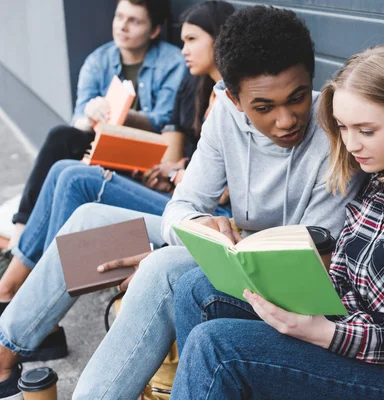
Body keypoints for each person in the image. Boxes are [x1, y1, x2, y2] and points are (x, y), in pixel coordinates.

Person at [0, 5, 365, 399]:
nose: (286, 119)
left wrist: (181, 249)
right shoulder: (224, 113)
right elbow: (182, 205)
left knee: (161, 265)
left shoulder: (334, 128)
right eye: (263, 107)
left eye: (296, 98)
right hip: (230, 242)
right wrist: (197, 233)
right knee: (91, 218)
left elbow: (307, 260)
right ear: (235, 99)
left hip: (275, 271)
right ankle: (4, 352)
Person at [170, 44, 384, 400]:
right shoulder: (376, 182)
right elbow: (342, 282)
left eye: (366, 130)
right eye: (344, 128)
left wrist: (323, 333)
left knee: (219, 347)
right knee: (196, 288)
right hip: (346, 334)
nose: (350, 145)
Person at [0, 1, 234, 314]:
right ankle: (16, 285)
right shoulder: (198, 86)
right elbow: (191, 152)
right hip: (178, 193)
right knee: (63, 162)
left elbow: (229, 185)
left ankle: (22, 296)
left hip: (204, 212)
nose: (183, 50)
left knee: (74, 177)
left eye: (191, 40)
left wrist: (176, 173)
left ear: (218, 40)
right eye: (119, 17)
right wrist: (175, 169)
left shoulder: (233, 99)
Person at [1, 0, 185, 265]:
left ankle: (31, 257)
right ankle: (21, 231)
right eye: (119, 16)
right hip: (104, 149)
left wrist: (125, 115)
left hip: (148, 160)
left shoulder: (172, 62)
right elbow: (77, 123)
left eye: (134, 20)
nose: (122, 26)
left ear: (154, 30)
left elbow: (167, 121)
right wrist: (91, 114)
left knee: (67, 168)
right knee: (61, 137)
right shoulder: (99, 60)